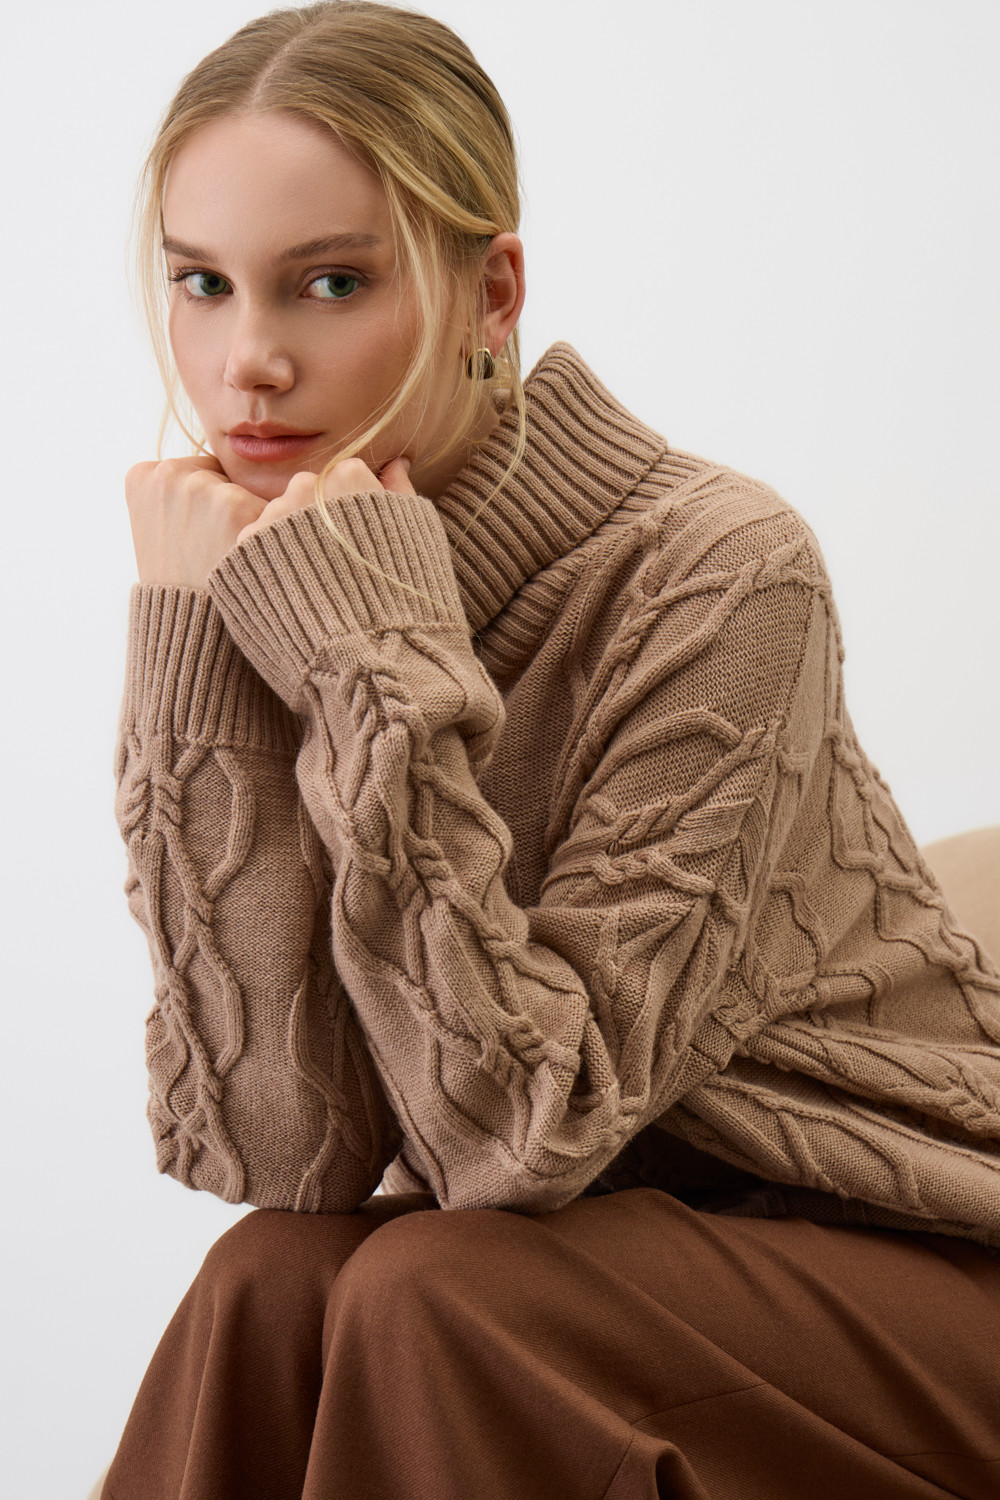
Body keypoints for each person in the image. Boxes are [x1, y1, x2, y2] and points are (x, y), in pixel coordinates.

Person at [102, 3, 1000, 1497]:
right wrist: (198, 659)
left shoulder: (721, 571)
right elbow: (279, 1158)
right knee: (266, 1276)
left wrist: (369, 658)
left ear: (493, 293)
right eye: (203, 283)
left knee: (436, 1290)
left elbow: (514, 1137)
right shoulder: (283, 577)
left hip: (914, 1265)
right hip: (603, 1264)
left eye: (330, 283)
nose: (247, 360)